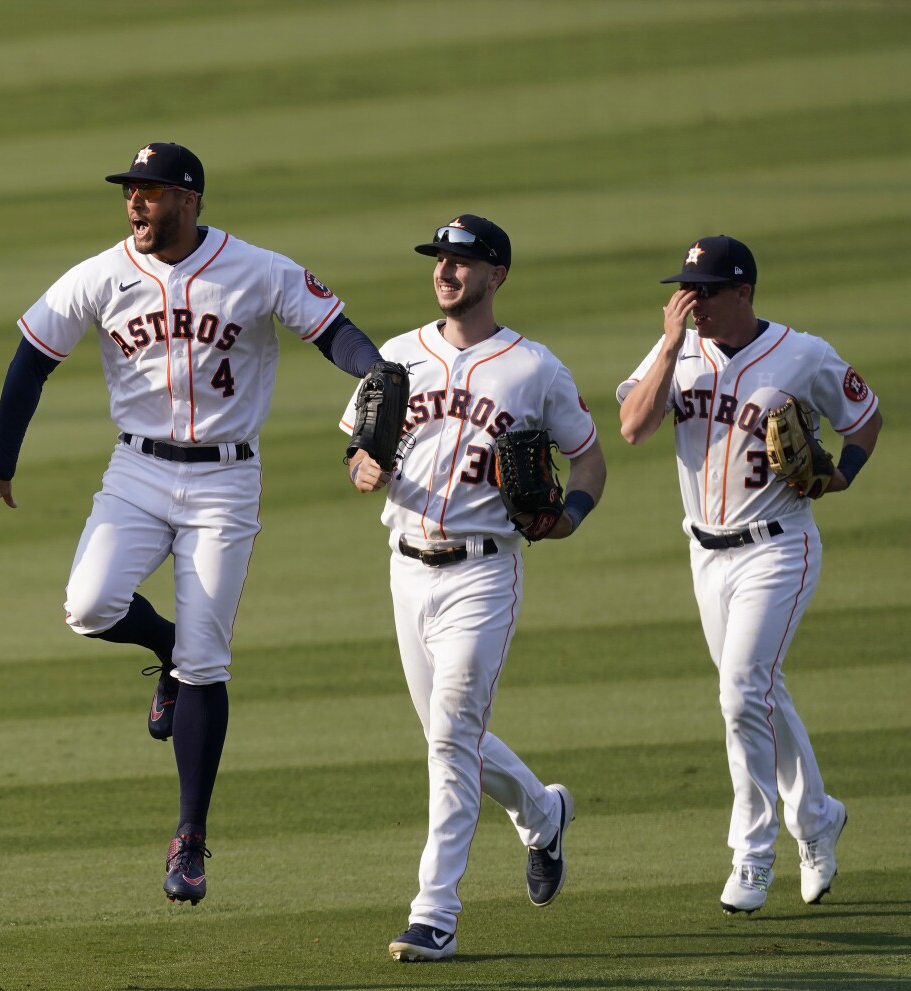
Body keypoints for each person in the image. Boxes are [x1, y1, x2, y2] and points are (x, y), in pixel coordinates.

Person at [0, 142, 387, 904]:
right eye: (130, 191)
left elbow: (335, 330)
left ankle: (189, 837)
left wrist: (371, 367)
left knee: (209, 658)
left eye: (149, 191)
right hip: (137, 472)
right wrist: (2, 465)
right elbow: (30, 359)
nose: (135, 203)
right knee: (88, 606)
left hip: (226, 478)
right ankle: (164, 650)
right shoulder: (102, 274)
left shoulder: (258, 268)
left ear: (189, 199)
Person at [343, 216, 606, 962]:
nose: (446, 271)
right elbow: (359, 446)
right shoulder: (397, 356)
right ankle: (545, 813)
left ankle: (435, 912)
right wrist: (361, 465)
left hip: (485, 573)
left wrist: (569, 519)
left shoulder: (533, 368)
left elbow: (588, 462)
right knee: (449, 738)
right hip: (405, 567)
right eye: (440, 259)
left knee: (452, 736)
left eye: (462, 261)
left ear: (497, 275)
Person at [618, 235, 880, 913]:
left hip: (779, 546)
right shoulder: (676, 351)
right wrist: (670, 346)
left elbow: (865, 415)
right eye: (686, 289)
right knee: (759, 692)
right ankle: (818, 818)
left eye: (704, 290)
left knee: (741, 691)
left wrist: (840, 477)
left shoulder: (803, 354)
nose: (692, 301)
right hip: (705, 554)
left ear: (743, 292)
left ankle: (753, 854)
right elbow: (631, 426)